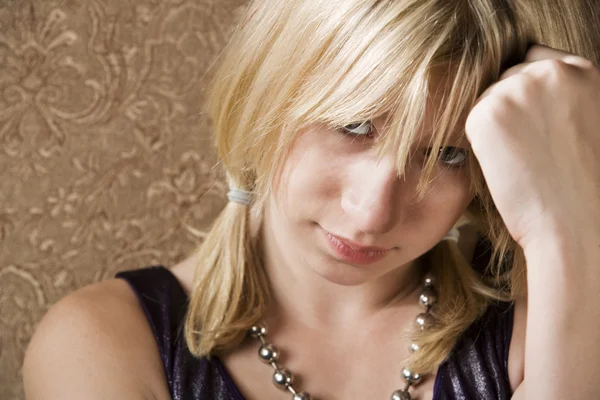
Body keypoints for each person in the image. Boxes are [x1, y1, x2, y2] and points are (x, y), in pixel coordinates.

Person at [22, 0, 600, 399]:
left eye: (445, 155)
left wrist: (566, 229)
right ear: (263, 98)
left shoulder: (544, 319)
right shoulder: (103, 345)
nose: (373, 213)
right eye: (352, 125)